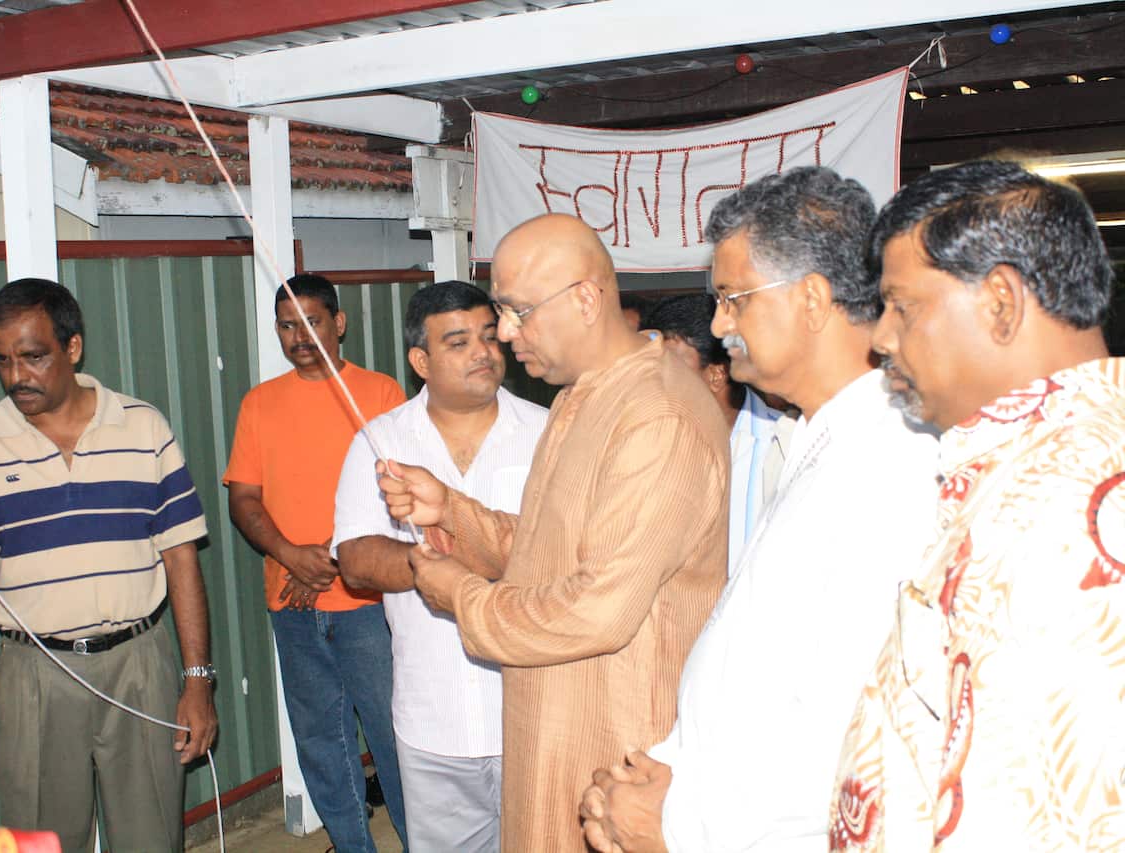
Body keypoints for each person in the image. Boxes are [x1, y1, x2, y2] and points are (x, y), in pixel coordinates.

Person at [581, 167, 940, 852]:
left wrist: (681, 824)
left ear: (810, 298)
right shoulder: (813, 435)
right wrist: (672, 772)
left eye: (734, 300)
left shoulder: (888, 462)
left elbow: (846, 730)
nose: (719, 326)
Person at [376, 213, 731, 851]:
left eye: (517, 311)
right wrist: (451, 510)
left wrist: (463, 597)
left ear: (588, 299)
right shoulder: (579, 397)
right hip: (552, 722)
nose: (505, 335)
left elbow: (599, 610)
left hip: (614, 745)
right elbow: (549, 552)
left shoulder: (660, 414)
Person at [829, 161, 1125, 850]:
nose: (880, 339)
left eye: (903, 306)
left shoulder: (1068, 505)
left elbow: (1038, 817)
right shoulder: (1035, 468)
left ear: (1000, 302)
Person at [0, 278, 217, 852]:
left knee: (152, 837)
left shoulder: (143, 426)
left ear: (72, 348)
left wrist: (197, 681)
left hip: (140, 667)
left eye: (33, 357)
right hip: (35, 673)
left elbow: (182, 558)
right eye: (2, 361)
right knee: (44, 840)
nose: (16, 377)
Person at [333, 280, 548, 852]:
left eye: (487, 336)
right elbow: (354, 559)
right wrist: (422, 561)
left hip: (539, 713)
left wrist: (470, 536)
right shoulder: (380, 441)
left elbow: (568, 557)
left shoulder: (549, 432)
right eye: (458, 342)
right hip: (433, 716)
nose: (483, 351)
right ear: (420, 361)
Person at [223, 274, 408, 853]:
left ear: (339, 322)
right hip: (292, 607)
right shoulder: (259, 403)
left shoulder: (379, 395)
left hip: (368, 605)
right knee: (321, 743)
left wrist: (321, 561)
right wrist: (288, 557)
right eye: (286, 326)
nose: (300, 337)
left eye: (312, 322)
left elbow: (397, 493)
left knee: (393, 739)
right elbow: (243, 499)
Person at [644, 293, 795, 574]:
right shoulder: (646, 445)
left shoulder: (785, 444)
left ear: (716, 374)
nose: (656, 382)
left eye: (670, 368)